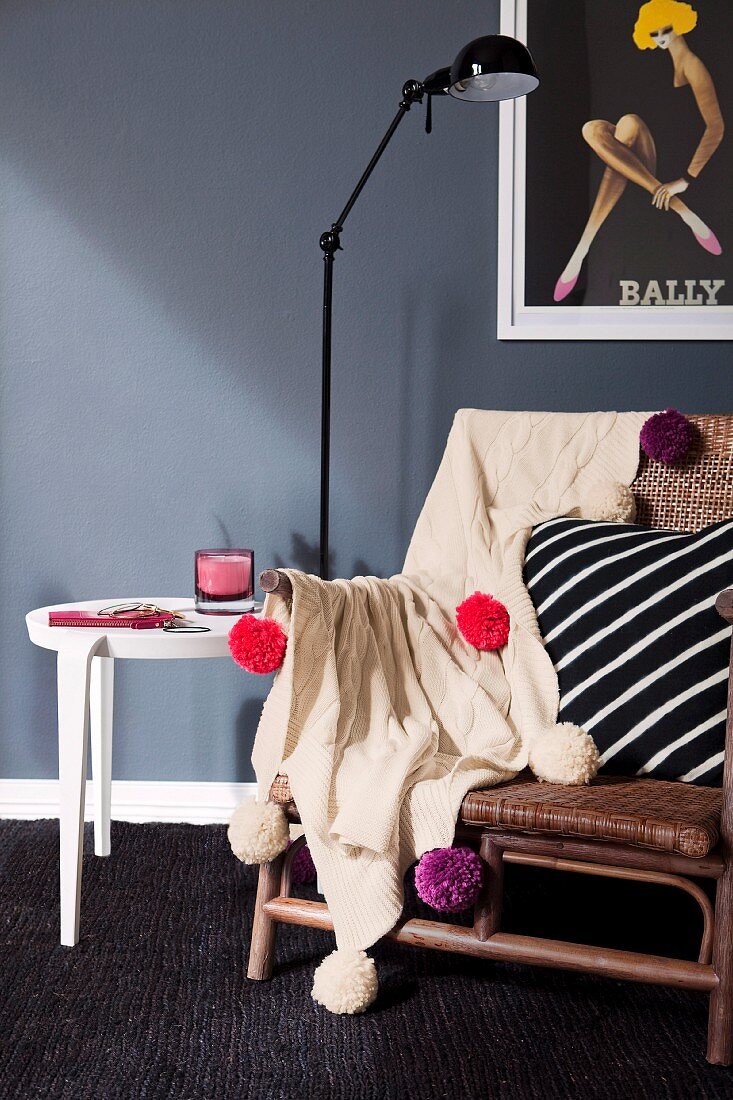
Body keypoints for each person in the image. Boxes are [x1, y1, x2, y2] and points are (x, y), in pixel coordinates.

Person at [554, 0, 724, 303]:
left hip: (661, 160)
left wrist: (686, 179)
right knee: (609, 127)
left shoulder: (693, 65)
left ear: (681, 23)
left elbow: (716, 128)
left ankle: (581, 251)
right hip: (636, 156)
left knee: (626, 129)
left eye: (667, 30)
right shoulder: (656, 63)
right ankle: (683, 211)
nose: (662, 38)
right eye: (655, 33)